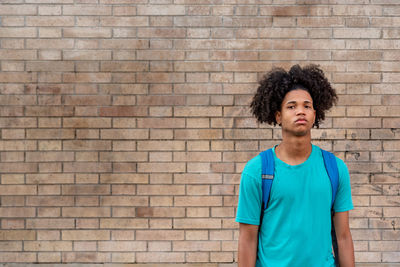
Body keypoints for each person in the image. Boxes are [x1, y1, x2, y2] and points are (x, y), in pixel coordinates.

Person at [236, 64, 355, 267]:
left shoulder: (335, 168)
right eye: (291, 106)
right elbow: (247, 240)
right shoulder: (257, 171)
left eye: (306, 106)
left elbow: (343, 237)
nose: (300, 111)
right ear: (278, 116)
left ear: (315, 114)